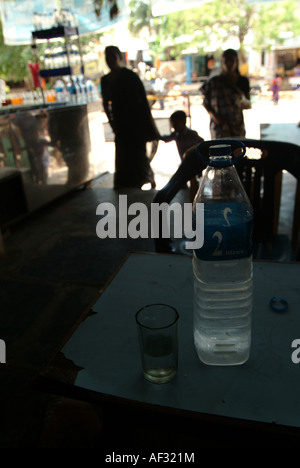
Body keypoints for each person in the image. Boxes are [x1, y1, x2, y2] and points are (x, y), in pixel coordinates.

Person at [101, 45, 159, 189]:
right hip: (120, 124)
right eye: (107, 57)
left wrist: (149, 126)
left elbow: (143, 103)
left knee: (137, 155)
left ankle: (144, 180)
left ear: (119, 58)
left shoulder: (130, 76)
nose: (110, 60)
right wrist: (112, 122)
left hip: (135, 123)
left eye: (113, 56)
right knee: (123, 155)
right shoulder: (105, 80)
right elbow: (105, 103)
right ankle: (125, 184)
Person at [200, 48, 251, 139]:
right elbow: (206, 103)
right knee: (220, 151)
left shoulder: (243, 81)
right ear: (222, 62)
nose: (229, 63)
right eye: (226, 60)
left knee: (238, 151)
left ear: (236, 61)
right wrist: (215, 116)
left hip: (237, 125)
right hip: (219, 127)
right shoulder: (214, 82)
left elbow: (247, 103)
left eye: (231, 60)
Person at [160, 110, 204, 200]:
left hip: (194, 162)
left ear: (183, 122)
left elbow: (202, 143)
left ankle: (195, 199)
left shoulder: (192, 134)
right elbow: (166, 138)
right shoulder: (177, 134)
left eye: (176, 123)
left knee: (195, 181)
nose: (174, 126)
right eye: (173, 123)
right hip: (185, 162)